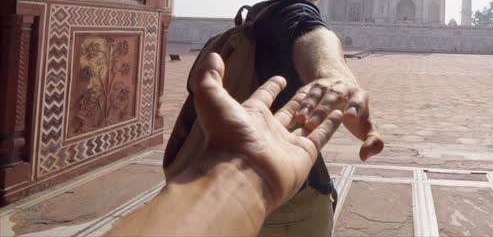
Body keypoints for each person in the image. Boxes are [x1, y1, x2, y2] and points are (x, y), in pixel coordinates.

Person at [208, 0, 384, 236]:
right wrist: (356, 111)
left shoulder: (250, 20)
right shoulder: (301, 17)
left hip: (221, 183)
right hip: (286, 194)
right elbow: (320, 49)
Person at [110, 53, 344, 236]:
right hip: (297, 198)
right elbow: (317, 39)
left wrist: (237, 171)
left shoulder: (235, 34)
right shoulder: (301, 19)